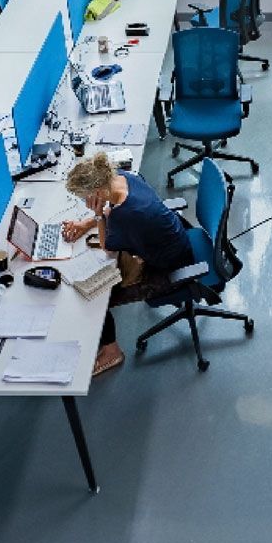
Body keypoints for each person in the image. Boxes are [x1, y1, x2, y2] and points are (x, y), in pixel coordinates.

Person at [61, 151, 193, 377]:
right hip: (176, 239)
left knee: (98, 296)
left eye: (85, 198)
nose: (84, 202)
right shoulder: (123, 177)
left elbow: (107, 246)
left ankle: (112, 352)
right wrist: (86, 223)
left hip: (168, 268)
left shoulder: (128, 215)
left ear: (98, 192)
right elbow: (113, 211)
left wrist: (98, 216)